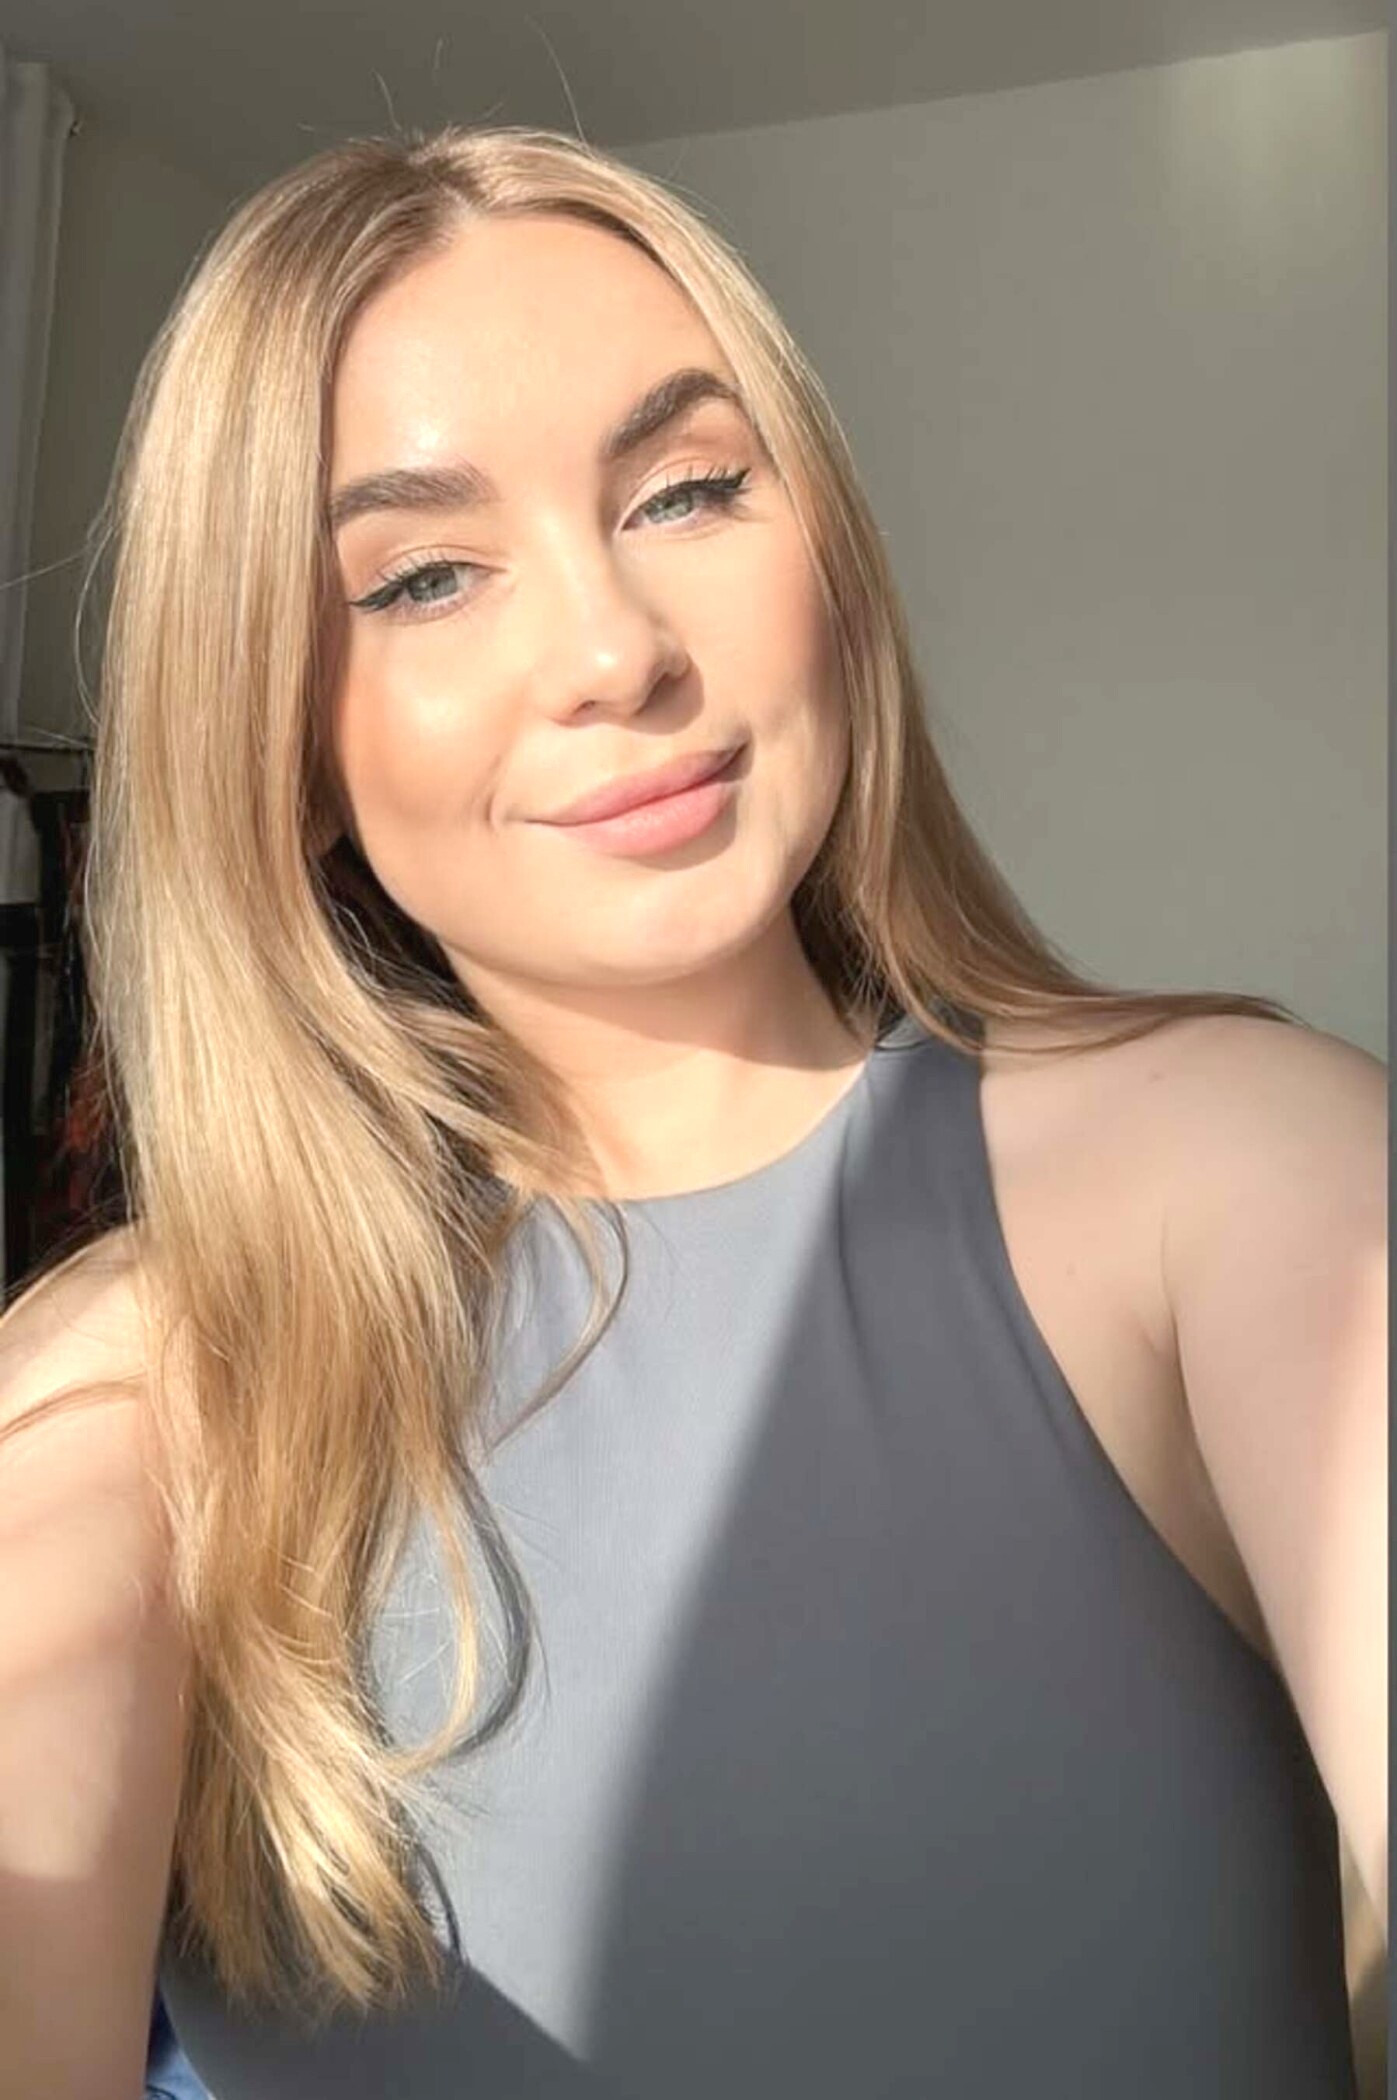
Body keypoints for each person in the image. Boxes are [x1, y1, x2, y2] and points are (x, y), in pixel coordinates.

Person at [0, 123, 1384, 2100]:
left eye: (688, 489)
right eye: (424, 576)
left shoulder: (1230, 1169)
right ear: (278, 738)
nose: (615, 652)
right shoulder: (149, 1376)